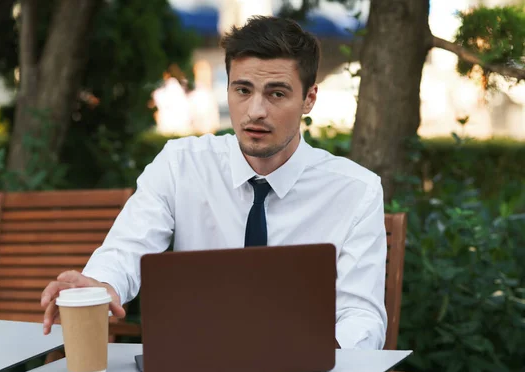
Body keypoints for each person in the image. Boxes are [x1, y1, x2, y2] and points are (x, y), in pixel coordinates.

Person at [41, 16, 387, 350]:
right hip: (194, 371)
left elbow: (362, 317)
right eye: (242, 89)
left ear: (309, 98)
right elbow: (128, 246)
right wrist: (102, 285)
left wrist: (309, 356)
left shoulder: (355, 191)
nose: (255, 111)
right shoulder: (182, 163)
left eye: (277, 94)